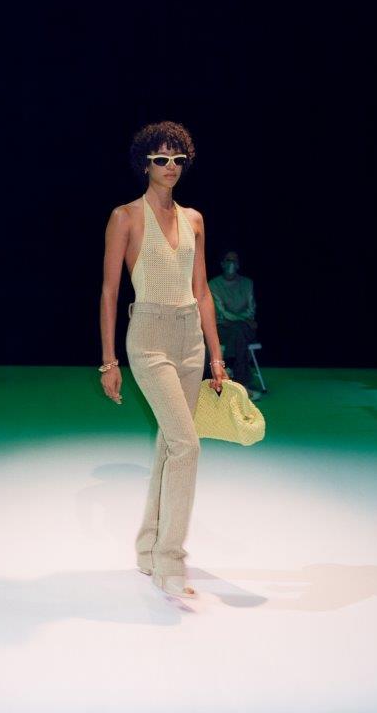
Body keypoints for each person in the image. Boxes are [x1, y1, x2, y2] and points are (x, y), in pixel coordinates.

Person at [99, 120, 228, 599]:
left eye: (178, 159)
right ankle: (170, 561)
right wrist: (109, 361)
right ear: (145, 164)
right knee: (186, 445)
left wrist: (216, 356)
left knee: (170, 446)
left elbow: (203, 291)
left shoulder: (195, 219)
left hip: (190, 338)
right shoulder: (125, 217)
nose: (170, 167)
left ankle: (148, 547)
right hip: (149, 337)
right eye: (161, 159)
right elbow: (110, 291)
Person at [208, 251, 260, 398]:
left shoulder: (247, 283)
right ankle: (242, 382)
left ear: (238, 265)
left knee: (239, 331)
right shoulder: (214, 285)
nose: (231, 264)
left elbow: (251, 310)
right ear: (222, 264)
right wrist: (242, 319)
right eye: (228, 260)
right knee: (237, 332)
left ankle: (230, 369)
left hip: (244, 327)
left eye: (234, 261)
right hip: (223, 328)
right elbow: (222, 312)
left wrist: (240, 320)